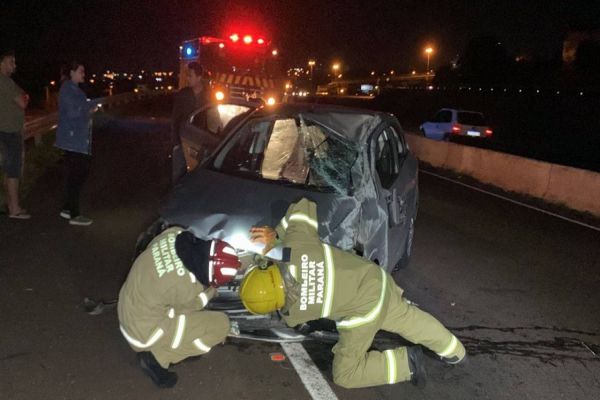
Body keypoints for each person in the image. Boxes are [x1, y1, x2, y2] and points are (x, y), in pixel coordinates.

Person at [241, 198, 466, 389]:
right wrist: (277, 236)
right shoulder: (298, 247)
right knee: (410, 320)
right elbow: (304, 205)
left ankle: (407, 364)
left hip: (365, 311)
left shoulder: (292, 315)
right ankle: (455, 351)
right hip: (376, 278)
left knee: (345, 375)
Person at [118, 227, 241, 388]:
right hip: (142, 333)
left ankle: (171, 344)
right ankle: (159, 358)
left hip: (127, 305)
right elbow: (190, 307)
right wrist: (211, 291)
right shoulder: (186, 285)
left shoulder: (174, 233)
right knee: (220, 325)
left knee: (172, 304)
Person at [55, 61, 98, 226]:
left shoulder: (75, 90)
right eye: (81, 71)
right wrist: (88, 110)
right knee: (77, 174)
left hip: (77, 138)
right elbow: (73, 112)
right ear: (72, 73)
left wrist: (89, 107)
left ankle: (67, 208)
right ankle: (75, 214)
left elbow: (80, 107)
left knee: (79, 173)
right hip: (72, 139)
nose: (83, 74)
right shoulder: (67, 89)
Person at [0, 49, 30, 219]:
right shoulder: (5, 81)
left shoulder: (7, 82)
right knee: (13, 171)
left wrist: (23, 96)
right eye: (11, 62)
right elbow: (23, 101)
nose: (14, 65)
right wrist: (24, 97)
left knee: (8, 169)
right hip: (9, 132)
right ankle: (14, 209)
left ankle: (11, 205)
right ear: (2, 63)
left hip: (5, 131)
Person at [170, 62, 211, 182]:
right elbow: (175, 118)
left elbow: (213, 119)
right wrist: (176, 143)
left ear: (199, 77)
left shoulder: (208, 96)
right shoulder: (183, 94)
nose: (188, 78)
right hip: (182, 140)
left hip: (200, 142)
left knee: (196, 176)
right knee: (178, 175)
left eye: (190, 76)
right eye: (187, 75)